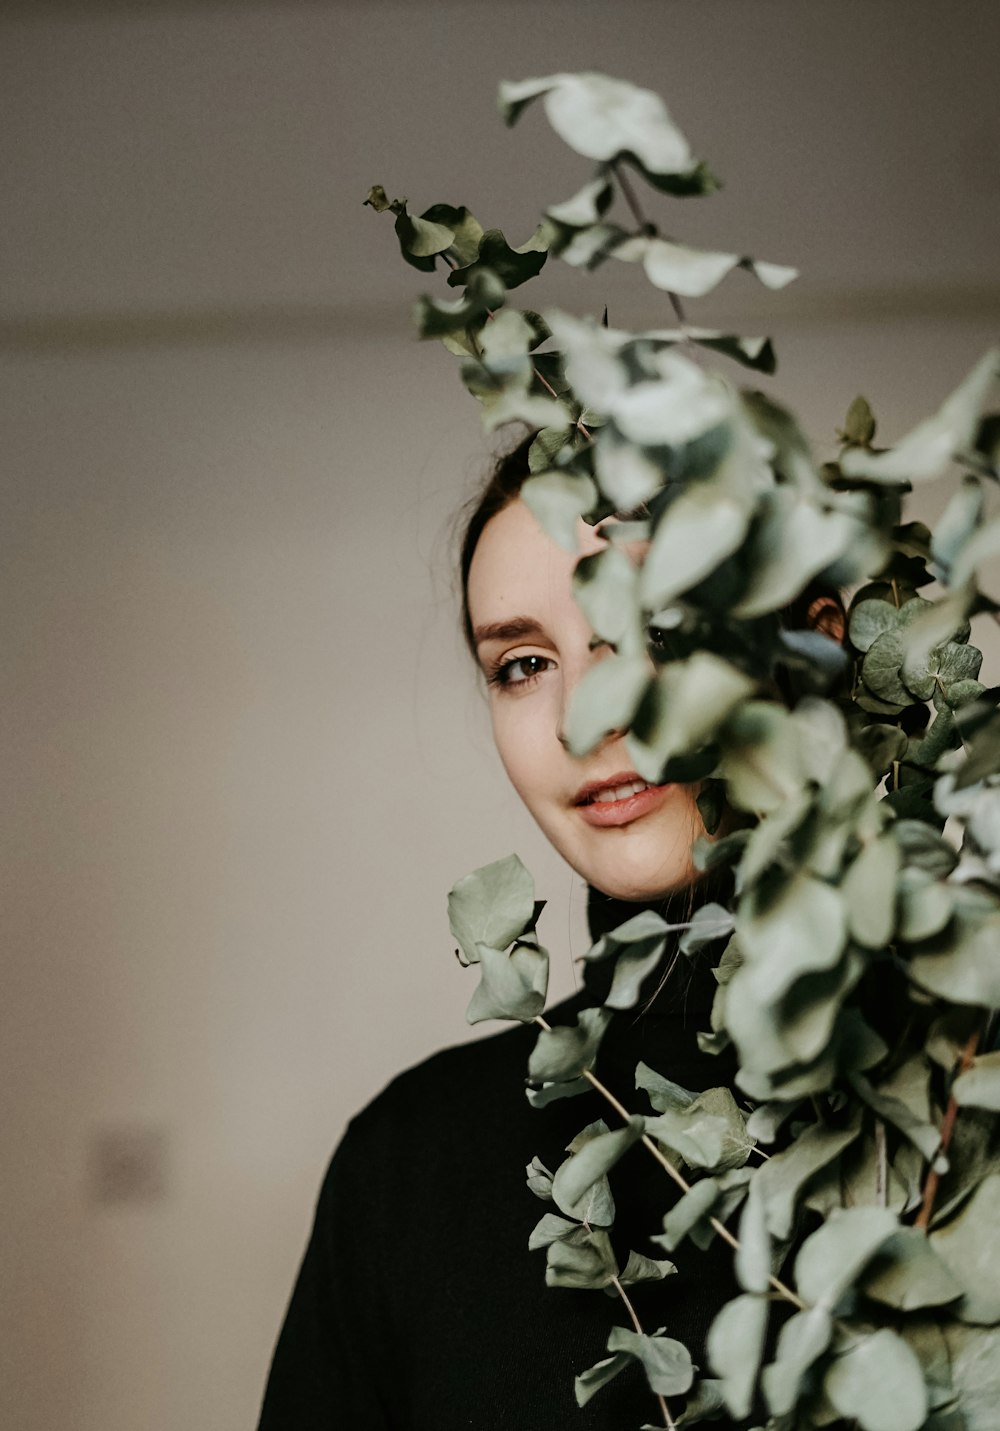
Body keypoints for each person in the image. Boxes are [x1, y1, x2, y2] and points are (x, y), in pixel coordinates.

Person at [256, 432, 844, 1430]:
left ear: (816, 650)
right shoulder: (410, 1170)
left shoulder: (966, 1092)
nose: (583, 715)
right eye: (523, 663)